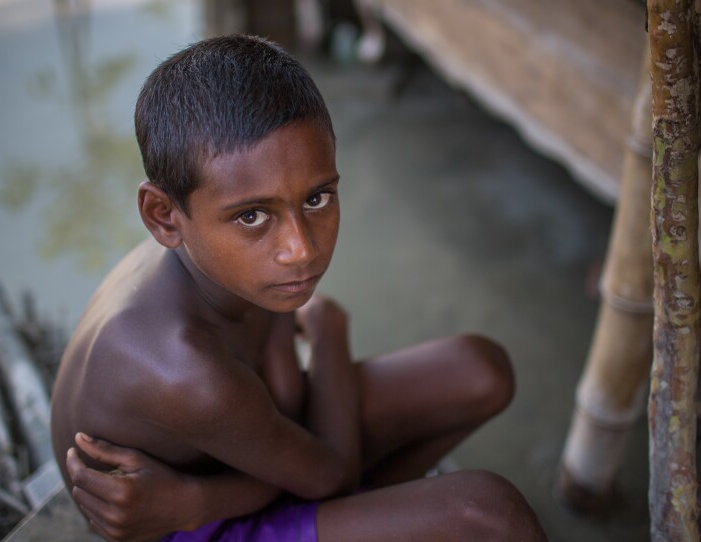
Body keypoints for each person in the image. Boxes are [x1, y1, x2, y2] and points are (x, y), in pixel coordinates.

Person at [50, 34, 547, 542]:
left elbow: (286, 398)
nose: (301, 249)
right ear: (163, 215)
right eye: (252, 215)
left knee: (481, 370)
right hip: (191, 520)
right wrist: (330, 331)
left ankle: (379, 517)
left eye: (317, 198)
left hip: (255, 457)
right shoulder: (183, 370)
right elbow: (330, 475)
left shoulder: (223, 260)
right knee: (491, 513)